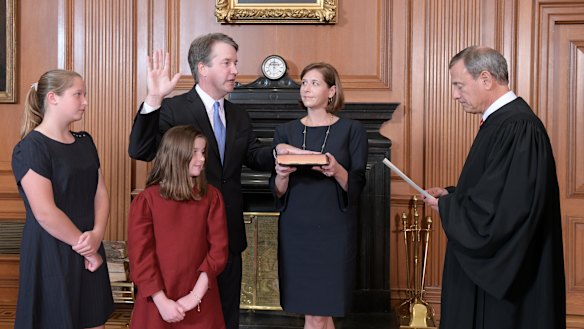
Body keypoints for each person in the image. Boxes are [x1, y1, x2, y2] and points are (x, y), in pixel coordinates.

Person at [128, 32, 290, 328]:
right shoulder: (174, 109)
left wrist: (280, 154)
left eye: (235, 62)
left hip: (226, 237)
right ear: (202, 68)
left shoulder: (239, 115)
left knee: (225, 319)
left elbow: (253, 155)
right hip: (184, 241)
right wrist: (154, 98)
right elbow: (139, 149)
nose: (235, 70)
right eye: (226, 62)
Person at [422, 46, 566, 329]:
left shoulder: (518, 127)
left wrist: (450, 208)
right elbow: (495, 188)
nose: (455, 95)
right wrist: (454, 195)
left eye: (459, 85)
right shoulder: (503, 123)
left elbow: (508, 209)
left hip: (512, 278)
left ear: (486, 79)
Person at [11, 69, 114, 329]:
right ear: (53, 98)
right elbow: (45, 212)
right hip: (51, 250)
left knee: (93, 321)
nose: (85, 101)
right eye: (78, 94)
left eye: (85, 94)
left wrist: (97, 235)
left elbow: (100, 192)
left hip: (89, 242)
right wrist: (87, 248)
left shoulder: (85, 141)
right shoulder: (32, 147)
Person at [271, 63, 368, 329]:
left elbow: (358, 184)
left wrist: (337, 170)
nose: (306, 88)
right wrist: (281, 174)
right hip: (296, 228)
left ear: (332, 91)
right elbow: (278, 191)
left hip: (333, 228)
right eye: (303, 83)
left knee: (320, 310)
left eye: (314, 83)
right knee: (316, 312)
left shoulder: (352, 130)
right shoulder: (285, 132)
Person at [128, 125, 229, 328]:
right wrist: (162, 302)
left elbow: (218, 252)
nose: (201, 159)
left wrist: (194, 297)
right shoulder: (147, 200)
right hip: (156, 300)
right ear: (175, 155)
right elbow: (141, 258)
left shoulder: (212, 197)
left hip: (201, 300)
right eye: (194, 153)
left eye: (203, 152)